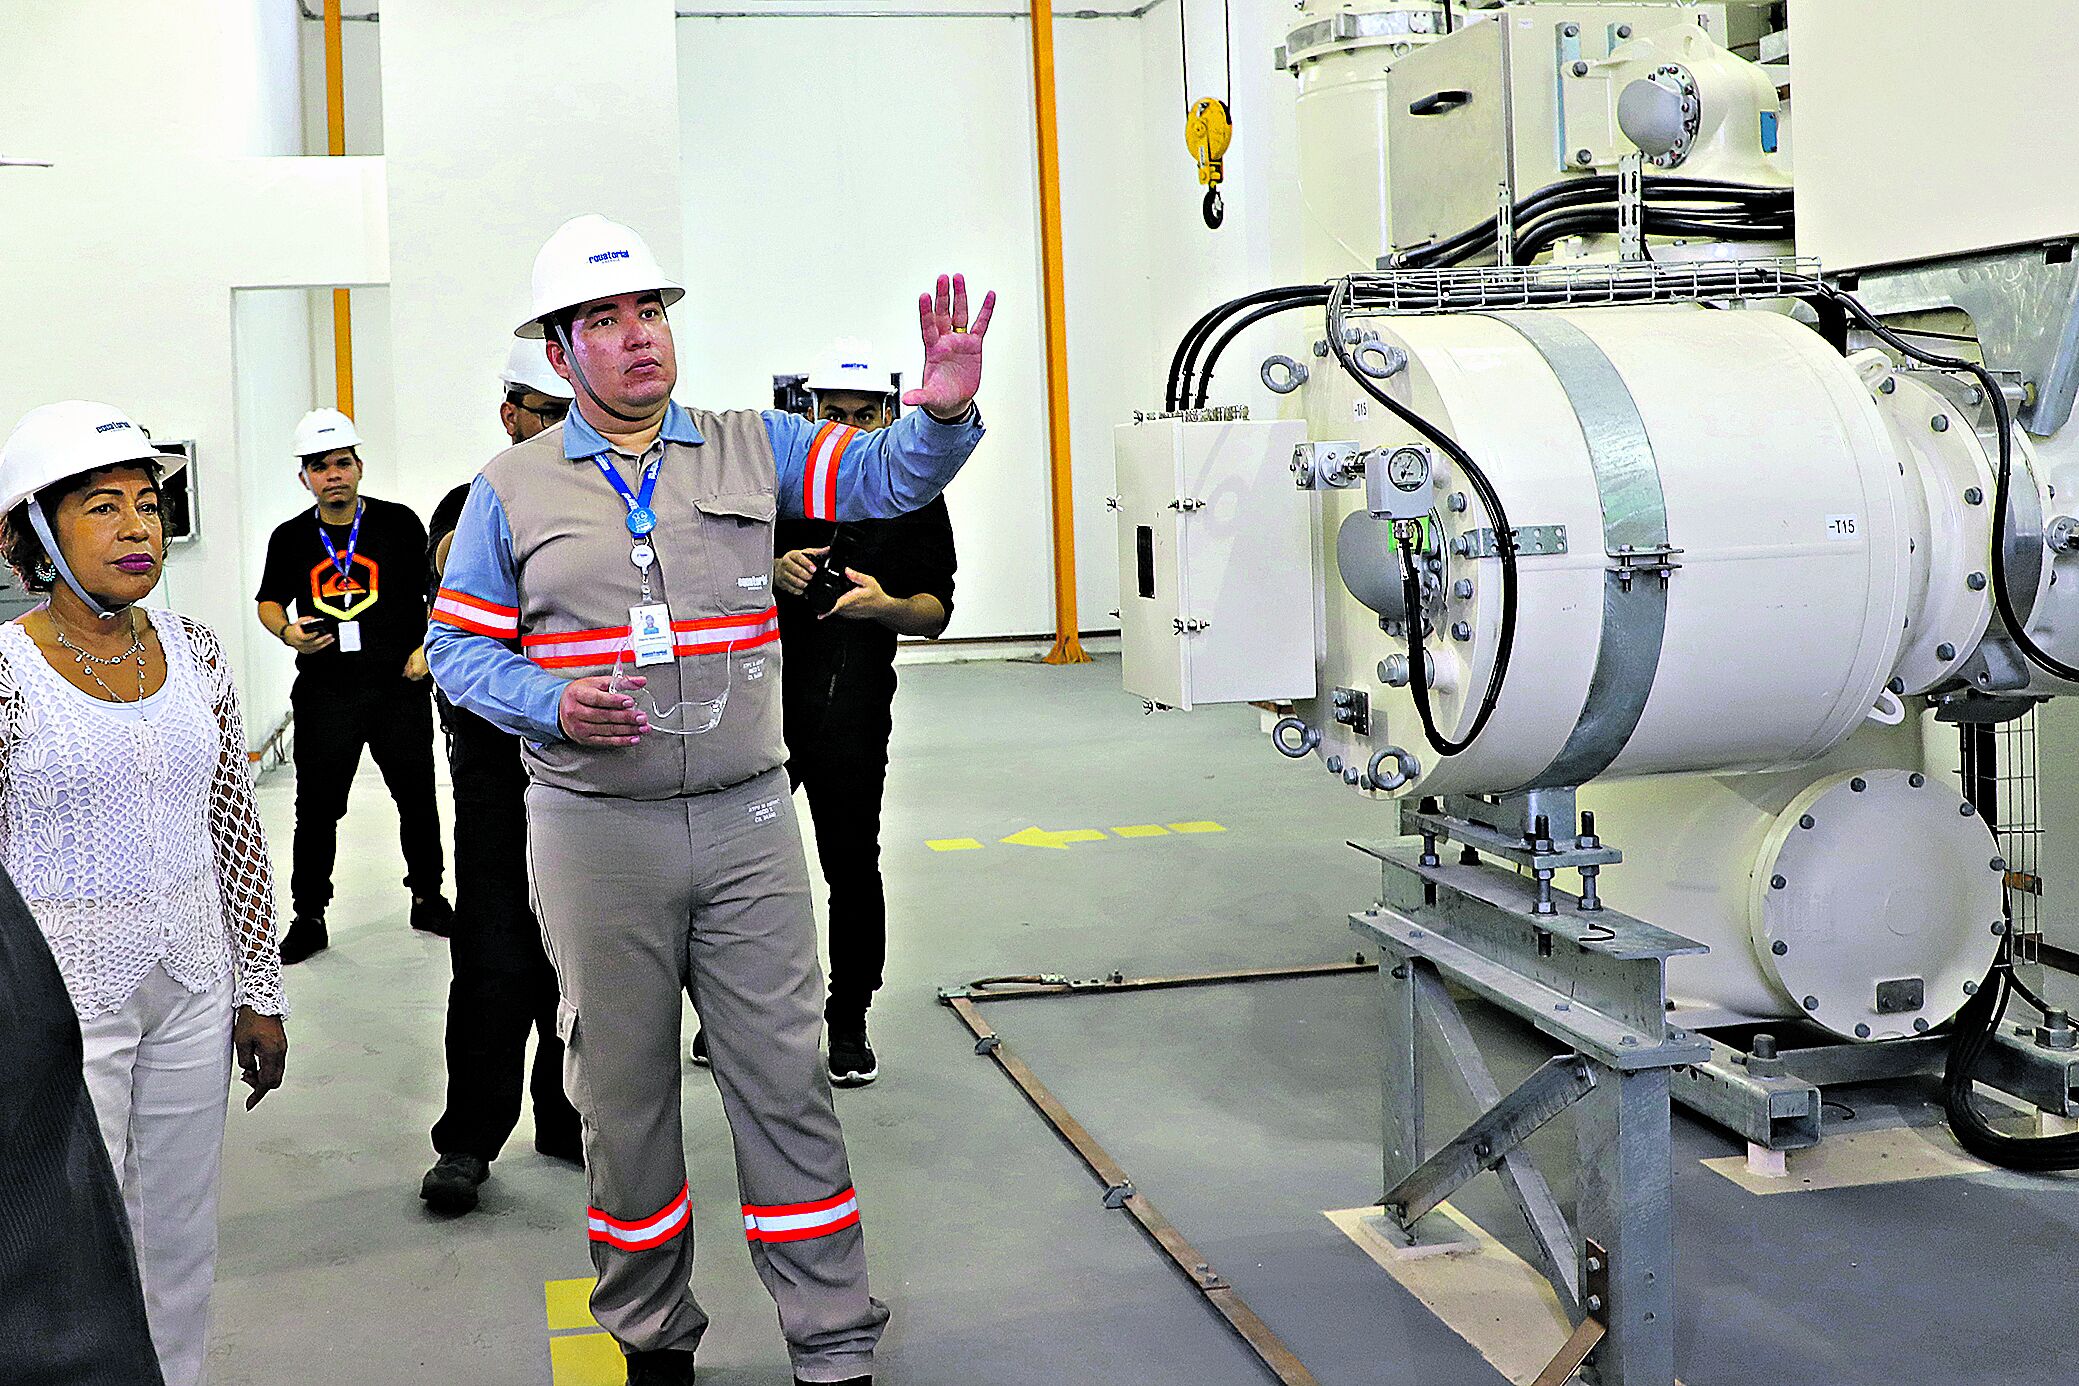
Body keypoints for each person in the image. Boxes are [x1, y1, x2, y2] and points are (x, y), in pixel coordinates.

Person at [426, 213, 993, 1386]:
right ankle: (651, 1339)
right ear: (560, 354)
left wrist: (938, 413)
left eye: (652, 314)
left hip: (745, 819)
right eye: (605, 322)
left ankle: (832, 1339)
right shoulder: (509, 491)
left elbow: (885, 479)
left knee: (784, 1082)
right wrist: (548, 701)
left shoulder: (752, 446)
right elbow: (457, 651)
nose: (638, 339)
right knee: (623, 1096)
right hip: (596, 832)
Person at [0, 401, 289, 1386]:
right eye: (101, 508)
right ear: (33, 533)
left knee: (177, 1235)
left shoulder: (197, 648)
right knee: (74, 1246)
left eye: (147, 505)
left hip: (194, 983)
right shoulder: (5, 679)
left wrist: (261, 988)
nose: (136, 528)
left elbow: (233, 829)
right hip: (58, 1004)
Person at [745, 340, 959, 1087]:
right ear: (811, 415)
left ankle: (847, 1020)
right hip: (760, 708)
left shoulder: (915, 497)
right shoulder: (773, 488)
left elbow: (934, 612)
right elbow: (709, 573)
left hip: (853, 711)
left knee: (850, 868)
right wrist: (769, 571)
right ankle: (737, 1017)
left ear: (885, 417)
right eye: (830, 414)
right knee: (742, 875)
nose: (844, 427)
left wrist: (883, 607)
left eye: (859, 415)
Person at [418, 341, 584, 1215]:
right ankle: (468, 1140)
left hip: (591, 765)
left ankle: (567, 1117)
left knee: (578, 957)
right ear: (508, 412)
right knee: (488, 956)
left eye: (561, 413)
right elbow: (453, 620)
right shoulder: (472, 501)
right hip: (493, 766)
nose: (543, 428)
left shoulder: (612, 506)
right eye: (534, 410)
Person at [255, 408, 452, 963]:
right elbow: (269, 601)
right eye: (320, 467)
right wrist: (288, 632)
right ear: (305, 478)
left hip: (398, 685)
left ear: (359, 466)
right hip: (326, 692)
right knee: (316, 807)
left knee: (416, 799)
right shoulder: (291, 537)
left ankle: (428, 896)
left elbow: (437, 593)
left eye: (342, 463)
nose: (332, 475)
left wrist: (427, 650)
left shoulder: (398, 524)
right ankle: (308, 915)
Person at [0, 856, 166, 1386]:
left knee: (166, 1251)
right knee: (61, 1260)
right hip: (61, 970)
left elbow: (231, 810)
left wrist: (260, 981)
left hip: (187, 956)